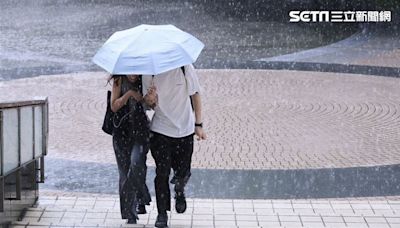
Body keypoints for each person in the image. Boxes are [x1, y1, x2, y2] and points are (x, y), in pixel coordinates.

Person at [142, 64, 207, 228]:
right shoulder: (149, 70)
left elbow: (195, 95)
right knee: (162, 173)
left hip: (185, 130)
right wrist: (150, 99)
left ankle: (179, 190)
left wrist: (198, 124)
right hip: (161, 130)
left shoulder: (185, 67)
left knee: (183, 172)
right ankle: (162, 214)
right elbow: (148, 104)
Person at [109, 74, 152, 224]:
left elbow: (151, 105)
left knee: (137, 163)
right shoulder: (119, 79)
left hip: (140, 131)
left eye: (135, 72)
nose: (132, 75)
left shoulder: (146, 78)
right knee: (124, 172)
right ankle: (130, 213)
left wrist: (148, 99)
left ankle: (142, 194)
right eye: (130, 72)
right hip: (121, 132)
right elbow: (113, 106)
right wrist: (129, 94)